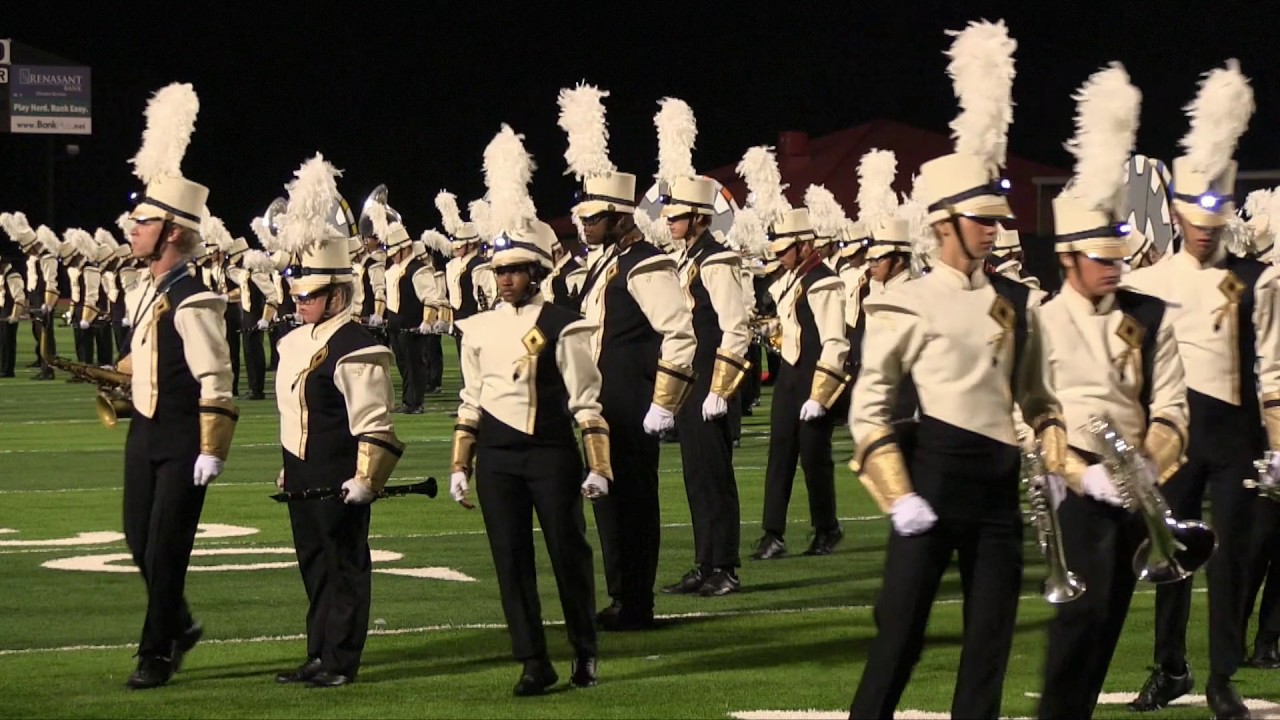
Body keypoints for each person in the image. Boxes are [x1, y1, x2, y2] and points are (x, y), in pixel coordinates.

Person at [848, 21, 1067, 719]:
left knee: (990, 645)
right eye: (980, 220)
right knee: (901, 638)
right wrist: (897, 494)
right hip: (933, 479)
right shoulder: (902, 301)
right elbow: (871, 406)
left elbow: (1038, 397)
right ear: (943, 224)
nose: (994, 230)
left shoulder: (1018, 300)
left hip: (999, 491)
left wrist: (1055, 459)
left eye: (995, 220)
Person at [1033, 63, 1191, 720]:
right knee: (1078, 624)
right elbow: (1030, 416)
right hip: (1074, 490)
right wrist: (1081, 471)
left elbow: (1173, 407)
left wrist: (1145, 466)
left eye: (1118, 256)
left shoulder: (1151, 314)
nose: (1116, 267)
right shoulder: (1040, 320)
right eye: (1103, 258)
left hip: (1135, 487)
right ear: (1069, 257)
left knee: (1105, 628)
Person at [1123, 60, 1276, 719]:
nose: (1205, 226)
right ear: (1178, 215)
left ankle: (1222, 678)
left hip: (1238, 435)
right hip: (1178, 432)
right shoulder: (1152, 283)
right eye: (1195, 213)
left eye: (1215, 212)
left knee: (1234, 562)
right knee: (1172, 560)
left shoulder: (1255, 277)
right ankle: (1170, 668)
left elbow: (1272, 371)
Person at [449, 126, 605, 695]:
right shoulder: (478, 327)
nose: (505, 279)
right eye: (499, 271)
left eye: (515, 270)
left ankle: (584, 651)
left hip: (549, 454)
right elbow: (471, 398)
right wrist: (460, 465)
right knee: (510, 562)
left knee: (568, 553)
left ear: (537, 271)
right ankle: (532, 661)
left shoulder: (563, 324)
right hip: (496, 457)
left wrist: (598, 465)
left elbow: (586, 399)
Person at [558, 82, 697, 630]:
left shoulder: (645, 262)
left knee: (633, 503)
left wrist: (663, 403)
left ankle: (636, 601)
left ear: (620, 217)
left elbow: (679, 332)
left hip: (633, 399)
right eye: (584, 218)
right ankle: (622, 596)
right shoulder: (604, 262)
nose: (584, 226)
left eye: (594, 219)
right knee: (608, 502)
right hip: (602, 399)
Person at [119, 83, 238, 689]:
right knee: (138, 539)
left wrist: (212, 448)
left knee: (166, 551)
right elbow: (148, 355)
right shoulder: (145, 290)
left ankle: (156, 653)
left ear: (170, 233)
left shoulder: (194, 299)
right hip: (143, 432)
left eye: (141, 222)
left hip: (182, 438)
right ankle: (181, 620)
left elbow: (217, 376)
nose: (130, 229)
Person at [269, 154, 404, 688]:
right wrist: (288, 466)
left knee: (344, 565)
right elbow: (292, 411)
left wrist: (368, 479)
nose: (299, 302)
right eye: (298, 294)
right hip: (303, 471)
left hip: (342, 474)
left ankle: (341, 660)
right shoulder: (293, 341)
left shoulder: (356, 347)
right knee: (314, 566)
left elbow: (376, 422)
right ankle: (318, 653)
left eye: (309, 295)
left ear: (337, 294)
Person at [655, 98, 751, 595]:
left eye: (676, 217)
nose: (668, 222)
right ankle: (703, 561)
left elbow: (736, 327)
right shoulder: (686, 259)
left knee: (715, 478)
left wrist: (720, 389)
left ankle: (726, 567)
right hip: (690, 383)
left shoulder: (715, 260)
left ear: (698, 219)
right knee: (695, 478)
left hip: (711, 382)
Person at [738, 146, 850, 561]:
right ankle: (773, 533)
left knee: (815, 459)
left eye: (786, 249)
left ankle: (827, 528)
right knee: (779, 456)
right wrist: (769, 330)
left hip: (814, 375)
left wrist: (821, 395)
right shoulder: (788, 279)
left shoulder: (824, 282)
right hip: (789, 375)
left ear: (805, 246)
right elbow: (792, 327)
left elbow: (835, 341)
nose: (780, 256)